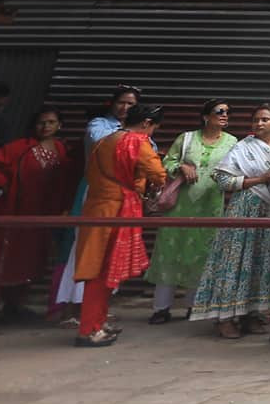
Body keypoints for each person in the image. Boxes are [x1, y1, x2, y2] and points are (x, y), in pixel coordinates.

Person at [70, 102, 165, 347]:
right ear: (146, 124)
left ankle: (97, 323)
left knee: (99, 269)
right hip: (117, 209)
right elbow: (157, 173)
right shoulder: (136, 141)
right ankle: (90, 329)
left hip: (96, 207)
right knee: (102, 271)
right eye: (153, 128)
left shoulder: (104, 141)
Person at [192, 106, 270, 340]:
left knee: (261, 262)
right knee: (235, 262)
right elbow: (222, 179)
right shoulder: (243, 147)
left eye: (265, 119)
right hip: (244, 210)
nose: (259, 124)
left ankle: (251, 314)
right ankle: (224, 318)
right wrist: (260, 179)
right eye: (256, 120)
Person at [0, 108, 78, 320]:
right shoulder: (20, 147)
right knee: (1, 259)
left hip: (42, 216)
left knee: (31, 260)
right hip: (14, 212)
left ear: (59, 125)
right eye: (42, 122)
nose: (46, 127)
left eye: (51, 122)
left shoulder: (61, 149)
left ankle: (15, 304)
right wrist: (1, 185)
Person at [145, 98, 238, 324]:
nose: (225, 115)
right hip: (179, 207)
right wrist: (180, 166)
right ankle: (161, 308)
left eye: (227, 112)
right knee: (169, 254)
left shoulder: (233, 142)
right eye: (219, 111)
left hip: (211, 207)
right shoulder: (185, 139)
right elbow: (166, 163)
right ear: (206, 116)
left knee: (202, 256)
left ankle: (193, 306)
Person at [51, 84, 138, 318]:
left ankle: (95, 307)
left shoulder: (135, 132)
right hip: (95, 191)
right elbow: (109, 147)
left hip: (122, 193)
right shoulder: (98, 125)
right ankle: (72, 307)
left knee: (111, 248)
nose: (125, 107)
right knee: (85, 245)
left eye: (131, 104)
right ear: (111, 103)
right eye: (122, 102)